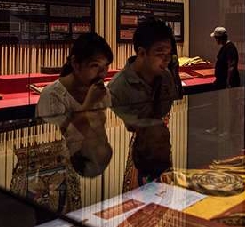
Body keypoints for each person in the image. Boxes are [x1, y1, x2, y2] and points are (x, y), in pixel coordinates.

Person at [109, 18, 182, 187]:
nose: (166, 60)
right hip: (143, 151)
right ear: (142, 53)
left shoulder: (166, 77)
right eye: (160, 54)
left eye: (168, 55)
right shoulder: (118, 88)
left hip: (157, 152)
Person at [35, 33, 113, 178]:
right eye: (95, 65)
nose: (102, 74)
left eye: (106, 66)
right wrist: (89, 102)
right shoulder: (52, 96)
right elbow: (69, 132)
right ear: (76, 64)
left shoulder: (101, 92)